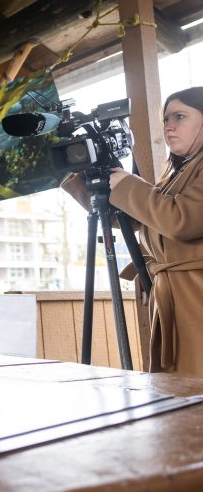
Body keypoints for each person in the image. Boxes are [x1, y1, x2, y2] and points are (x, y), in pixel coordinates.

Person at [63, 87, 203, 375]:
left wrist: (127, 183)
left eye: (180, 116)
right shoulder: (176, 172)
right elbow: (140, 219)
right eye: (166, 119)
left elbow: (181, 220)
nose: (169, 126)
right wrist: (85, 182)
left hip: (195, 295)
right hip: (176, 295)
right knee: (179, 390)